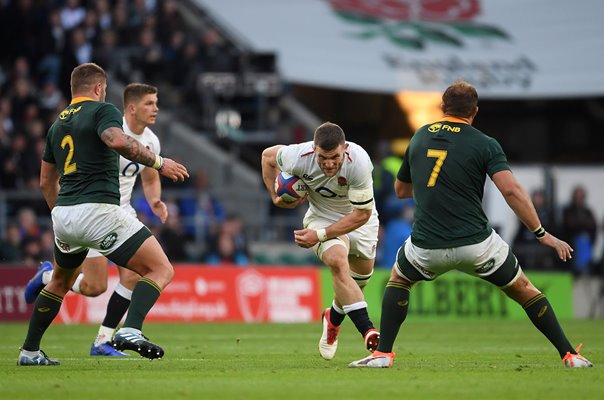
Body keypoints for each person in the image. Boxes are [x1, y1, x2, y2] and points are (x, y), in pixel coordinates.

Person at [349, 80, 592, 369]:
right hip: (477, 245)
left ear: (442, 107)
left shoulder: (420, 136)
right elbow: (511, 191)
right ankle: (569, 355)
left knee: (399, 280)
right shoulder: (485, 143)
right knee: (525, 290)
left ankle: (383, 355)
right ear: (474, 111)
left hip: (427, 246)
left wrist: (433, 189)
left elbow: (402, 191)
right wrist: (541, 233)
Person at [17, 63, 188, 366]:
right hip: (101, 211)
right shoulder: (103, 111)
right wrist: (161, 163)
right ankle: (130, 330)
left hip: (65, 215)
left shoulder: (57, 124)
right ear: (98, 88)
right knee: (161, 269)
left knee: (60, 282)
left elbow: (46, 180)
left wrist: (61, 213)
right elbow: (117, 140)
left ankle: (29, 352)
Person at [261, 122, 380, 360]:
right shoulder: (297, 156)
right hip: (320, 217)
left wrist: (321, 236)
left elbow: (361, 215)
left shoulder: (359, 162)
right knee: (337, 262)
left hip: (359, 219)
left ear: (344, 149)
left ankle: (332, 319)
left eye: (334, 157)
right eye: (322, 157)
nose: (328, 163)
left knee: (358, 279)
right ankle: (368, 330)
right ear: (314, 149)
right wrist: (274, 197)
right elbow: (267, 157)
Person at [562, 185, 597, 276]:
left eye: (581, 197)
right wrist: (583, 224)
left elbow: (593, 226)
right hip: (570, 241)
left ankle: (584, 268)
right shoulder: (568, 210)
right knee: (581, 241)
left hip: (586, 241)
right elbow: (569, 226)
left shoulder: (588, 211)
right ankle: (580, 270)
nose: (579, 199)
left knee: (584, 240)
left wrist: (580, 224)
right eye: (577, 197)